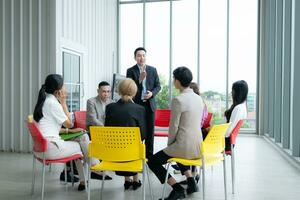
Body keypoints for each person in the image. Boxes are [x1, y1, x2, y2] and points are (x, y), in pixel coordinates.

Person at [33, 74, 110, 191]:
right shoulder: (53, 103)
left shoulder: (45, 100)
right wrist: (63, 102)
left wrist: (70, 131)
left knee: (81, 137)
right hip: (50, 149)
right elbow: (70, 123)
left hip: (41, 148)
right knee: (82, 141)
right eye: (64, 86)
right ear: (57, 90)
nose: (66, 89)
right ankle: (95, 165)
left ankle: (84, 180)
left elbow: (52, 127)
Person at [148, 67, 204, 200]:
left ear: (178, 81)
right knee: (177, 150)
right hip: (198, 146)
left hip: (183, 146)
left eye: (174, 79)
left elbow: (173, 126)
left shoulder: (178, 100)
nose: (173, 81)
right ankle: (191, 181)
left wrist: (169, 144)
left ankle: (177, 188)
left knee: (152, 162)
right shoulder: (198, 98)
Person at [105, 78, 146, 190]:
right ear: (134, 92)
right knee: (137, 144)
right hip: (131, 153)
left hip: (113, 153)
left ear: (119, 91)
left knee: (125, 144)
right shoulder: (139, 109)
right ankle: (135, 180)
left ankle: (127, 181)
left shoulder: (109, 108)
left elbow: (107, 129)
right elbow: (143, 135)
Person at [126, 47, 161, 158]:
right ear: (135, 57)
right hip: (137, 105)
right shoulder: (130, 71)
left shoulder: (152, 70)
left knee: (150, 132)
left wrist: (152, 94)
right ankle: (137, 155)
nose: (141, 58)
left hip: (149, 104)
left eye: (143, 55)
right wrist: (139, 81)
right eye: (139, 55)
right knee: (137, 131)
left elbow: (158, 86)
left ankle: (149, 157)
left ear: (146, 57)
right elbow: (129, 88)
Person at [224, 80, 248, 151]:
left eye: (233, 90)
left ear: (238, 93)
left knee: (202, 134)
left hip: (226, 142)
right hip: (229, 141)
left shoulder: (238, 108)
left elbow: (228, 132)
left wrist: (215, 133)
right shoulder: (242, 106)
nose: (231, 93)